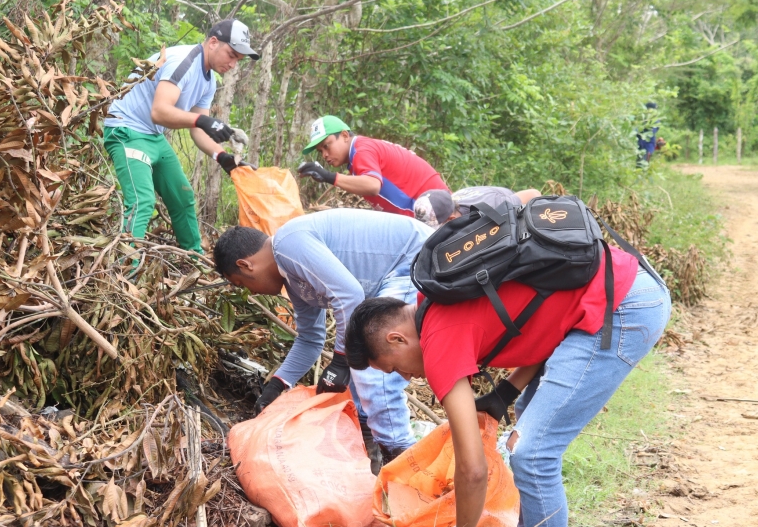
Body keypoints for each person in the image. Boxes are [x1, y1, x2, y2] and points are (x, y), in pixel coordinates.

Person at [345, 250, 671, 527]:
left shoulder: (438, 342)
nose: (405, 376)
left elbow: (473, 472)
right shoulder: (435, 302)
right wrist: (503, 396)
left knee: (532, 452)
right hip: (623, 282)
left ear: (397, 339)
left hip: (622, 305)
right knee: (527, 418)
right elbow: (546, 326)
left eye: (394, 368)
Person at [212, 210, 433, 470]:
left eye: (242, 284)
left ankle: (404, 461)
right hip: (394, 272)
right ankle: (371, 454)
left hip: (414, 259)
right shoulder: (293, 278)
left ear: (245, 265)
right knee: (363, 370)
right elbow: (310, 338)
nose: (250, 292)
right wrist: (278, 384)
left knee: (376, 360)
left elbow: (350, 296)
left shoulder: (288, 244)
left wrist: (341, 360)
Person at [104, 19, 258, 253]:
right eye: (232, 54)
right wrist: (203, 120)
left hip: (153, 137)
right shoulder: (183, 62)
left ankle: (194, 260)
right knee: (142, 201)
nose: (233, 64)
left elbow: (198, 130)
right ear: (214, 42)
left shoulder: (208, 82)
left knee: (183, 197)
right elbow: (159, 111)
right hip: (126, 130)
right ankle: (126, 270)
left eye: (238, 59)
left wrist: (223, 157)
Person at [296, 115, 449, 216]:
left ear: (344, 135)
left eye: (326, 146)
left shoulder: (361, 150)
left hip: (436, 208)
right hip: (431, 208)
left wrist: (327, 176)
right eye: (320, 151)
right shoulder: (359, 152)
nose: (324, 155)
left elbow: (372, 185)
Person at [413, 186, 542, 228]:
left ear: (451, 219)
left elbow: (533, 193)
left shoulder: (491, 206)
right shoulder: (448, 203)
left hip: (509, 206)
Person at [636, 101, 661, 169]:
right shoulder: (641, 118)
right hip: (639, 145)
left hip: (647, 146)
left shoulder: (655, 120)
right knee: (639, 164)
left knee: (643, 164)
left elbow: (652, 132)